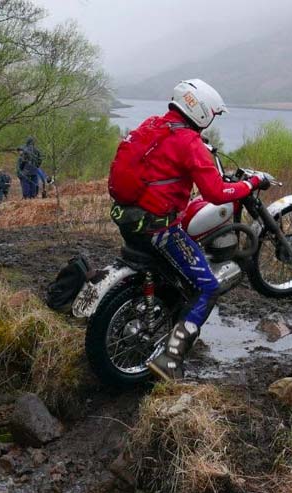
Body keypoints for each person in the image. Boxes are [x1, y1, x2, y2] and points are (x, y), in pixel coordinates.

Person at [109, 79, 270, 380]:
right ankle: (170, 358)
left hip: (131, 221)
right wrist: (250, 183)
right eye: (213, 115)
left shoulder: (153, 125)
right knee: (209, 287)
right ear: (202, 112)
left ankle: (169, 306)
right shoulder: (189, 143)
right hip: (158, 231)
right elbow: (216, 194)